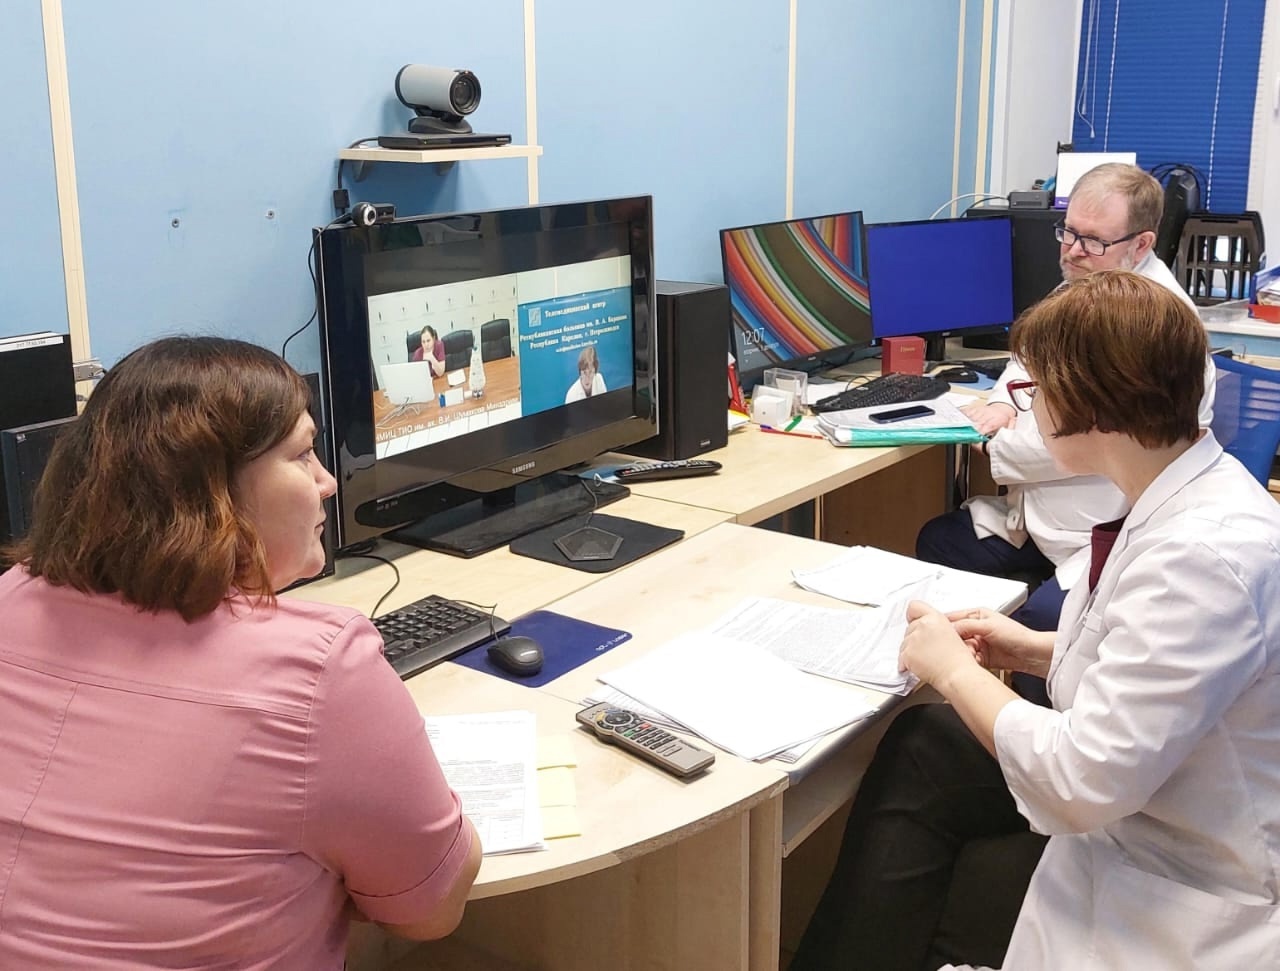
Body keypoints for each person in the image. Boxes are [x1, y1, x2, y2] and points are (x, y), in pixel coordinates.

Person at [793, 271, 1280, 970]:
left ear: (1094, 403)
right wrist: (1033, 649)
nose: (1029, 408)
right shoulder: (1182, 489)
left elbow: (1084, 777)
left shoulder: (1201, 559)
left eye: (1036, 391)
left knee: (941, 777)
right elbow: (1162, 665)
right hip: (1151, 791)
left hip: (1181, 870)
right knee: (927, 742)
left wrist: (953, 670)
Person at [0, 337, 482, 968]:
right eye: (302, 455)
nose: (327, 482)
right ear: (211, 492)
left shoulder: (11, 598)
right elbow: (430, 910)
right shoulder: (321, 669)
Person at [917, 163, 1216, 644]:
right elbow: (1023, 363)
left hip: (1104, 525)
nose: (1074, 250)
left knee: (1047, 624)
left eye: (1093, 240)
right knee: (943, 541)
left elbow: (1086, 439)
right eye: (1069, 231)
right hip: (1048, 516)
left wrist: (991, 445)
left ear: (1141, 244)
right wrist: (1003, 406)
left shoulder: (1149, 325)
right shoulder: (1087, 282)